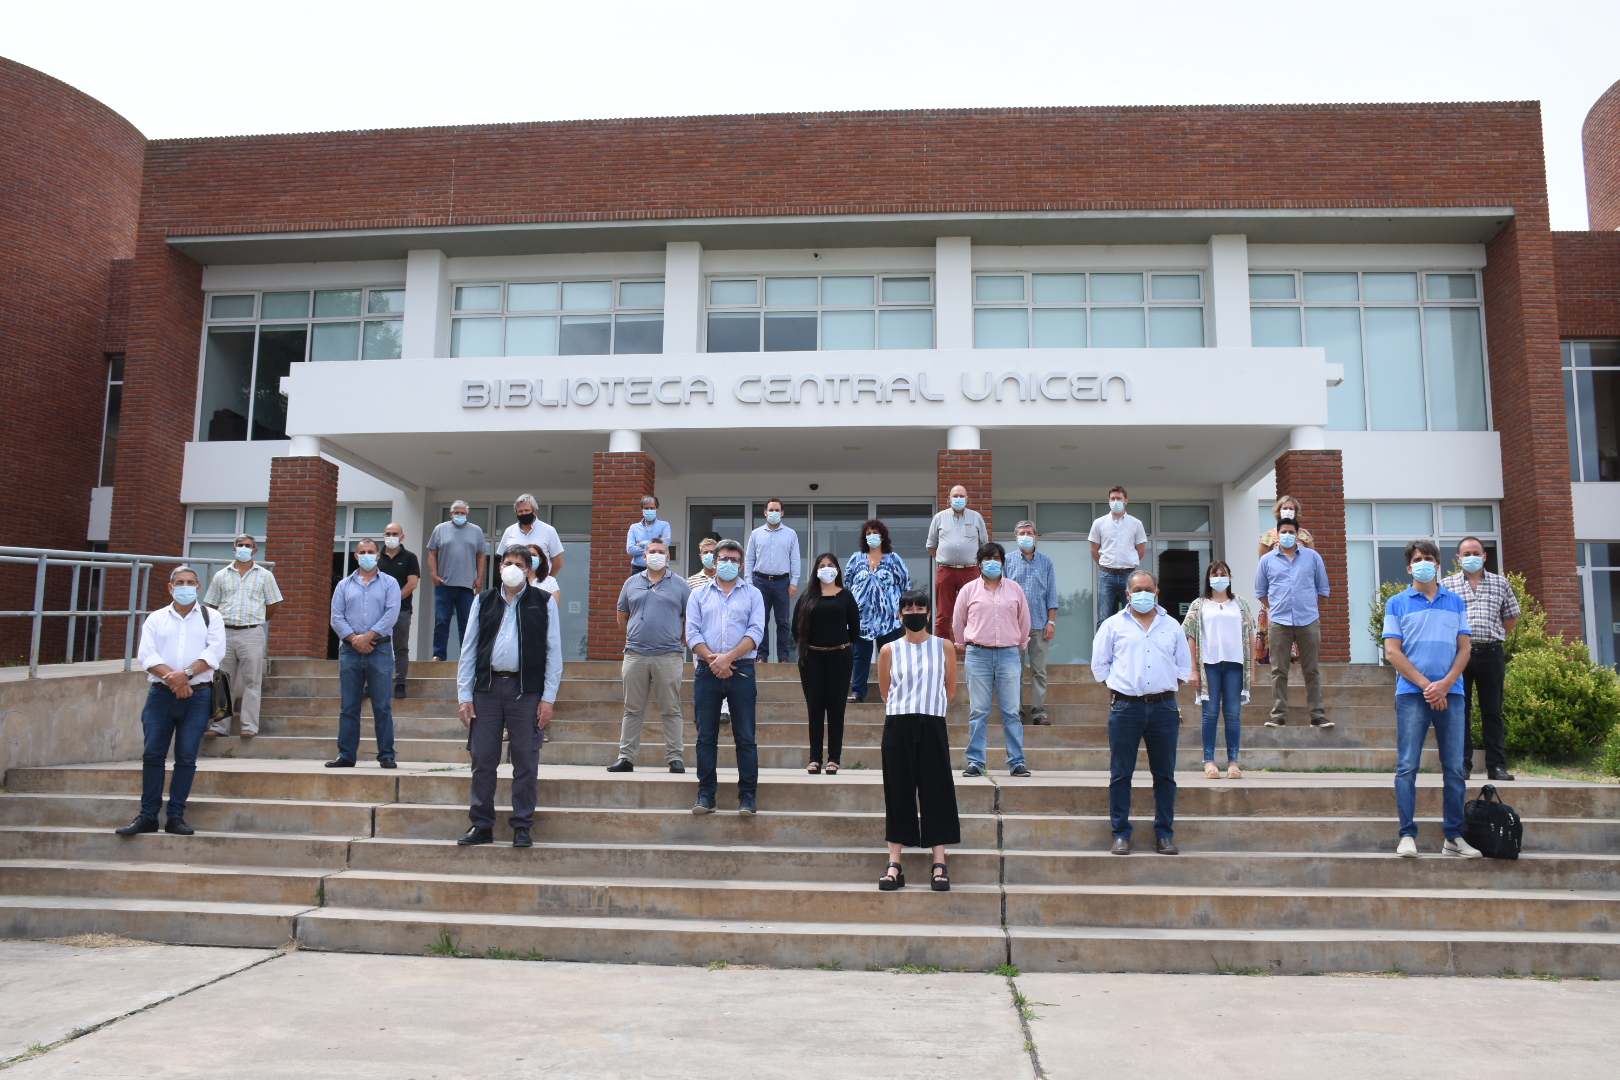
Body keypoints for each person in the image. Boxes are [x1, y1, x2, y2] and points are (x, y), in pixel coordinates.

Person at [456, 545, 562, 847]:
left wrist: (548, 698)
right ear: (499, 567)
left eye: (518, 563)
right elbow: (468, 648)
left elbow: (554, 652)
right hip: (487, 690)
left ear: (528, 569)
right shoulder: (483, 600)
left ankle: (522, 825)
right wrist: (465, 695)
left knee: (526, 761)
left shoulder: (543, 602)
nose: (511, 567)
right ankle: (481, 825)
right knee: (482, 760)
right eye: (507, 563)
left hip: (525, 691)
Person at [1383, 540, 1479, 859]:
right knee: (1407, 766)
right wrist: (1428, 686)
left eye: (1429, 558)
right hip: (1412, 695)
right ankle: (1407, 834)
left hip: (1452, 695)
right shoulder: (1397, 603)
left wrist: (1446, 684)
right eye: (1418, 559)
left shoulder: (1456, 602)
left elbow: (1464, 649)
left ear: (1438, 565)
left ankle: (1453, 836)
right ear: (1409, 567)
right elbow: (1393, 652)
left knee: (1454, 768)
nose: (1424, 563)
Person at [116, 566, 226, 837]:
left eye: (190, 582)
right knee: (153, 755)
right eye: (179, 582)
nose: (185, 586)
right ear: (170, 587)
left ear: (198, 588)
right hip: (161, 696)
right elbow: (147, 655)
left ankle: (175, 816)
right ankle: (148, 815)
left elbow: (214, 653)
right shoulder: (155, 618)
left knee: (186, 758)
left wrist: (186, 675)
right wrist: (174, 681)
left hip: (198, 695)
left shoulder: (211, 617)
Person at [1091, 570, 1191, 855]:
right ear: (1128, 594)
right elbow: (1100, 665)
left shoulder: (1171, 626)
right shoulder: (1112, 626)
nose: (1143, 594)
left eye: (1148, 589)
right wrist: (1120, 687)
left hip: (1164, 708)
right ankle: (1121, 833)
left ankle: (1164, 834)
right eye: (1137, 589)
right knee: (1121, 774)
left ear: (1156, 591)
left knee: (1165, 775)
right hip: (1125, 708)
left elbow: (1183, 667)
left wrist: (1162, 687)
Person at [877, 589, 960, 892]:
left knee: (936, 791)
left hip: (932, 723)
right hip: (898, 724)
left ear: (928, 613)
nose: (914, 612)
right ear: (900, 615)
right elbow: (886, 692)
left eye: (920, 607)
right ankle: (894, 863)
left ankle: (939, 862)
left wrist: (928, 706)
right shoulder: (889, 650)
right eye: (908, 608)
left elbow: (950, 689)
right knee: (898, 792)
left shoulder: (944, 647)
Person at [686, 539, 765, 815]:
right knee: (706, 737)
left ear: (741, 564)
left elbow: (756, 632)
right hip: (707, 672)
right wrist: (714, 660)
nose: (728, 563)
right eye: (723, 559)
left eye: (734, 559)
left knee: (745, 737)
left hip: (742, 671)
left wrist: (728, 658)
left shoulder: (753, 594)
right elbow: (692, 634)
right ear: (714, 561)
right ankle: (706, 795)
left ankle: (747, 797)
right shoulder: (698, 595)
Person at [1441, 537, 1521, 782]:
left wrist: (1494, 636)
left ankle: (1496, 766)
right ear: (1458, 558)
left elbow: (1511, 618)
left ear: (1485, 556)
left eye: (1476, 552)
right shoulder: (1447, 584)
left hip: (1491, 653)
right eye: (1466, 553)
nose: (1471, 557)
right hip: (1459, 656)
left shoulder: (1501, 583)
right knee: (1460, 711)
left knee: (1492, 712)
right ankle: (1462, 765)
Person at [608, 537, 690, 774]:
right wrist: (638, 634)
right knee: (632, 709)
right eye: (652, 551)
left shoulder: (681, 585)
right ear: (644, 556)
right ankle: (626, 757)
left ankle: (675, 758)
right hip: (635, 654)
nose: (656, 554)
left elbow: (689, 617)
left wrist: (681, 637)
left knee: (671, 709)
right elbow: (622, 615)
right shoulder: (631, 583)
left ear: (668, 556)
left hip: (669, 655)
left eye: (661, 551)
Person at [954, 542, 1032, 778]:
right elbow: (959, 620)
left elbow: (1024, 619)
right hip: (978, 655)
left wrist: (1020, 643)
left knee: (1011, 711)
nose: (992, 563)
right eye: (987, 559)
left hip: (1009, 654)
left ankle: (1017, 762)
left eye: (997, 558)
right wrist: (962, 644)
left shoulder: (1015, 589)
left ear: (1003, 562)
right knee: (978, 710)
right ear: (979, 563)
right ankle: (976, 762)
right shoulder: (968, 590)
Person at [326, 538, 401, 769]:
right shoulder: (344, 585)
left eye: (371, 551)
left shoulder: (390, 583)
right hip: (350, 651)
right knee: (349, 706)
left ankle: (386, 754)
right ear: (356, 556)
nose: (366, 555)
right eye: (362, 552)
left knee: (382, 706)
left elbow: (391, 614)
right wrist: (354, 639)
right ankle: (346, 755)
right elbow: (336, 617)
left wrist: (367, 637)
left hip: (380, 649)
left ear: (378, 556)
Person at [1254, 518, 1332, 729]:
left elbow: (1323, 589)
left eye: (1291, 531)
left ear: (1298, 534)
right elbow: (1261, 592)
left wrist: (1311, 610)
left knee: (1311, 670)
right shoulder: (1267, 560)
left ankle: (1317, 715)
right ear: (1277, 535)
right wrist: (1274, 609)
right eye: (1283, 531)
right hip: (1279, 622)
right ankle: (1278, 715)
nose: (1287, 535)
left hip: (1308, 621)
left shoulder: (1313, 557)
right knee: (1279, 670)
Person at [202, 533, 282, 739]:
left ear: (255, 550)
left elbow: (274, 605)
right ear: (234, 549)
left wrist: (257, 620)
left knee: (252, 682)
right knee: (221, 680)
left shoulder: (265, 576)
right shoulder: (221, 575)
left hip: (252, 632)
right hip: (225, 633)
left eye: (248, 546)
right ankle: (219, 727)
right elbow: (211, 604)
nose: (244, 548)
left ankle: (249, 726)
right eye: (240, 545)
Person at [1183, 561, 1256, 780]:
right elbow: (1191, 637)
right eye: (1214, 574)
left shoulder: (1240, 603)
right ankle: (1210, 762)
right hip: (1210, 666)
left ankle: (1233, 762)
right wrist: (1193, 670)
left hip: (1235, 665)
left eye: (1223, 574)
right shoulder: (1199, 604)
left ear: (1230, 577)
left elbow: (1251, 635)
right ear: (1208, 578)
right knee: (1210, 714)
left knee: (1233, 715)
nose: (1219, 578)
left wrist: (1252, 668)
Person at [794, 553, 861, 774]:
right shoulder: (807, 596)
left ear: (838, 570)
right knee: (815, 708)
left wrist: (840, 646)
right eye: (822, 566)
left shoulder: (846, 596)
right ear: (815, 571)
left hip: (839, 658)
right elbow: (796, 628)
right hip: (811, 658)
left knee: (836, 709)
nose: (826, 569)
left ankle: (834, 758)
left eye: (830, 565)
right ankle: (815, 758)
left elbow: (855, 630)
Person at [844, 518, 911, 704]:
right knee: (860, 656)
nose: (872, 536)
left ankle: (892, 693)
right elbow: (847, 587)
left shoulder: (894, 559)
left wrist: (903, 612)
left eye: (875, 533)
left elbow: (905, 585)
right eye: (868, 534)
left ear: (883, 536)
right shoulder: (856, 559)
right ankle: (858, 692)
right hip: (861, 619)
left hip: (889, 619)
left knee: (890, 657)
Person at [1004, 520, 1058, 725]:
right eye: (1021, 533)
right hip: (1013, 627)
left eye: (1029, 532)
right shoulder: (1007, 561)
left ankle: (1039, 712)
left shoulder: (1046, 562)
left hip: (1039, 624)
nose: (1025, 536)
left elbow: (1051, 594)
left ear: (1036, 536)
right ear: (1015, 537)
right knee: (1013, 672)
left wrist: (1051, 622)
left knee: (1039, 671)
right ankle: (1015, 712)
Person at [926, 484, 988, 645]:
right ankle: (941, 652)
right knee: (943, 615)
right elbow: (931, 545)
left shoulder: (976, 517)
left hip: (970, 571)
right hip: (945, 571)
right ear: (949, 499)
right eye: (955, 496)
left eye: (962, 496)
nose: (958, 499)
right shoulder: (939, 518)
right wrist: (943, 559)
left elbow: (984, 545)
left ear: (967, 499)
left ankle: (973, 651)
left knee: (974, 612)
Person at [428, 500, 486, 661]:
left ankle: (466, 656)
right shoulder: (440, 529)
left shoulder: (476, 531)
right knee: (441, 621)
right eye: (456, 512)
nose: (459, 515)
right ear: (451, 513)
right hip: (444, 584)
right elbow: (432, 553)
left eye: (462, 513)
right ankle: (439, 655)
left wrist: (479, 578)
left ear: (467, 514)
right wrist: (434, 574)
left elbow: (481, 555)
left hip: (467, 585)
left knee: (467, 624)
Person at [745, 499, 800, 662]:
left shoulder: (791, 534)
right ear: (765, 512)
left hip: (782, 582)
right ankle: (762, 655)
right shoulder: (756, 534)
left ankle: (783, 656)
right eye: (771, 510)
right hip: (760, 581)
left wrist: (794, 581)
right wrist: (749, 580)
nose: (774, 513)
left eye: (777, 510)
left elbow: (795, 559)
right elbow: (749, 559)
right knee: (760, 619)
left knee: (783, 620)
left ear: (782, 513)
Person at [1089, 486, 1148, 629]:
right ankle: (1102, 651)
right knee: (1104, 617)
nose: (1115, 501)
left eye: (1119, 498)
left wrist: (1128, 562)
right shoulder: (1099, 523)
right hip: (1106, 575)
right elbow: (1094, 550)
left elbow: (1141, 550)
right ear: (1108, 501)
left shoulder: (1136, 523)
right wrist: (1106, 565)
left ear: (1126, 501)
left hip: (1129, 575)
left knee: (1133, 615)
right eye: (1113, 499)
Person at [378, 522, 420, 699]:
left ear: (402, 537)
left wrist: (392, 602)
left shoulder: (410, 557)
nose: (391, 536)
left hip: (401, 611)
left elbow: (412, 584)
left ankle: (400, 684)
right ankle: (374, 683)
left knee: (400, 648)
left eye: (395, 533)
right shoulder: (376, 557)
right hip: (377, 612)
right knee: (376, 648)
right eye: (388, 533)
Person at [499, 494, 565, 578]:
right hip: (514, 581)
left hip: (540, 582)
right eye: (520, 511)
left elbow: (558, 562)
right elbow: (503, 559)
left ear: (535, 511)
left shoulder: (549, 530)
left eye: (527, 510)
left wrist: (547, 580)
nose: (524, 513)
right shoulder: (509, 531)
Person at [626, 495, 672, 571]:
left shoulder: (664, 525)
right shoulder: (634, 528)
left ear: (657, 508)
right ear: (641, 509)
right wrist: (656, 545)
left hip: (660, 569)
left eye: (652, 508)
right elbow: (631, 550)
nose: (649, 510)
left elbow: (665, 543)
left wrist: (643, 543)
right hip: (638, 569)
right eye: (646, 508)